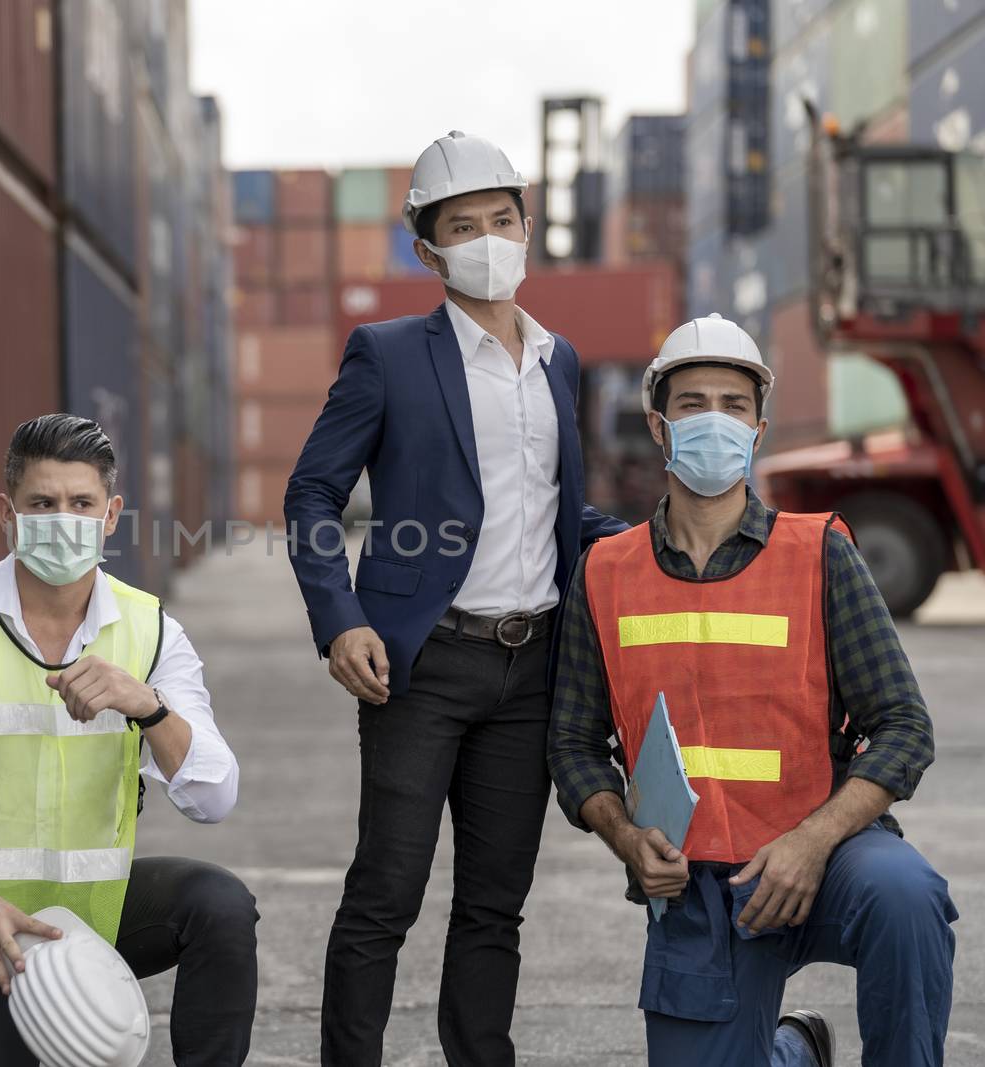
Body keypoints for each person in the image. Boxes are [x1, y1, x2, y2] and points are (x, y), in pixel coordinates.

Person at [284, 130, 628, 1065]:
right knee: (386, 894)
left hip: (533, 669)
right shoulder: (388, 356)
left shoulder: (560, 361)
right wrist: (340, 618)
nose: (487, 237)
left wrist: (641, 545)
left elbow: (556, 506)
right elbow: (313, 493)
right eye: (461, 225)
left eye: (501, 219)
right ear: (428, 250)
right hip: (422, 662)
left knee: (493, 905)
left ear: (528, 228)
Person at [548, 314, 957, 1066]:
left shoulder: (821, 553)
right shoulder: (604, 571)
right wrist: (628, 839)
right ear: (659, 426)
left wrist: (812, 839)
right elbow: (572, 744)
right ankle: (795, 1052)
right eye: (693, 402)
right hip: (696, 889)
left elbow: (904, 726)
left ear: (759, 427)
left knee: (906, 896)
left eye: (733, 405)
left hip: (825, 857)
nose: (714, 420)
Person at [0, 413, 258, 1066]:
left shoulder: (150, 632)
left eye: (81, 503)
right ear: (7, 512)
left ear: (111, 513)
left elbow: (214, 798)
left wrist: (149, 708)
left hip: (100, 910)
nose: (62, 518)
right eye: (42, 502)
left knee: (220, 906)